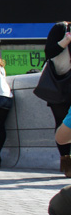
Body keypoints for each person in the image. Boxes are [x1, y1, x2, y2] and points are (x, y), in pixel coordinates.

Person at [42, 22, 71, 175]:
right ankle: (67, 163)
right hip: (60, 83)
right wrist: (65, 41)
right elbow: (49, 52)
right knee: (62, 122)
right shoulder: (62, 28)